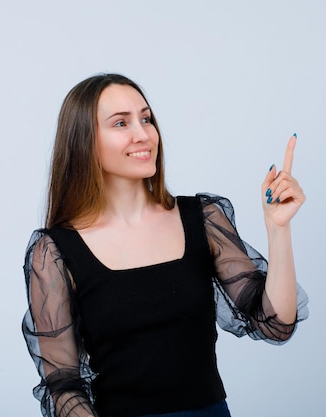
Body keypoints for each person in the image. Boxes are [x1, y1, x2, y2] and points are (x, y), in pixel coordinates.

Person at [22, 73, 309, 417]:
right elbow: (63, 385)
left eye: (146, 119)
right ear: (84, 142)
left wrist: (278, 230)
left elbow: (275, 324)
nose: (143, 134)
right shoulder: (55, 251)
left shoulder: (202, 219)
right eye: (121, 123)